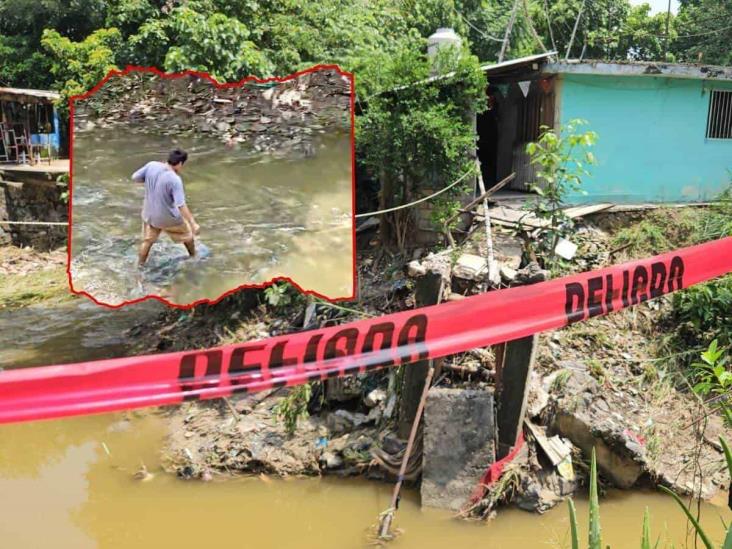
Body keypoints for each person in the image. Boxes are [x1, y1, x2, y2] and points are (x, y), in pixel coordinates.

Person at [132, 149, 200, 266]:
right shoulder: (175, 179)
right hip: (168, 218)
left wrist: (150, 181)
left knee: (148, 241)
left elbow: (135, 177)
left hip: (149, 215)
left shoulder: (151, 165)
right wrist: (193, 223)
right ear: (180, 164)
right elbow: (181, 205)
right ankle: (194, 257)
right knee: (188, 237)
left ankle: (140, 265)